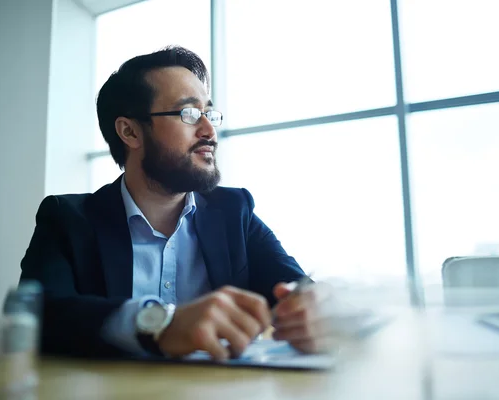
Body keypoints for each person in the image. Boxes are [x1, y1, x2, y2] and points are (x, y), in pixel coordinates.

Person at [20, 46, 334, 360]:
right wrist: (160, 324)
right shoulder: (68, 219)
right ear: (130, 131)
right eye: (189, 114)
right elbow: (36, 316)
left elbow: (294, 290)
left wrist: (311, 311)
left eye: (209, 114)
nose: (210, 130)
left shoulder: (234, 211)